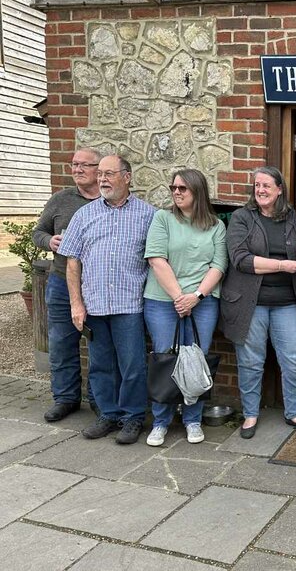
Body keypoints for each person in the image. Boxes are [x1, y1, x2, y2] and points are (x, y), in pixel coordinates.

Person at [58, 155, 156, 445]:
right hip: (95, 304)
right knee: (100, 364)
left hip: (129, 305)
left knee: (133, 365)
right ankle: (108, 415)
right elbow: (72, 261)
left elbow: (157, 260)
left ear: (127, 177)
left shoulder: (148, 215)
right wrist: (76, 303)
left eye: (109, 173)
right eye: (99, 173)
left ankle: (133, 417)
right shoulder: (84, 215)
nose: (101, 179)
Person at [220, 166, 296, 439]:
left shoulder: (293, 219)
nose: (260, 190)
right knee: (250, 361)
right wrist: (281, 265)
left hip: (287, 302)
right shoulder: (241, 218)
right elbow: (241, 259)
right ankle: (250, 415)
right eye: (257, 185)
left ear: (279, 190)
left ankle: (294, 412)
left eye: (266, 185)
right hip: (250, 304)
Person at [143, 169, 227, 447]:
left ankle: (193, 419)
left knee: (196, 360)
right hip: (163, 301)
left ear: (197, 192)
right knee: (164, 359)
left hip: (201, 303)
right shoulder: (163, 218)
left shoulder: (215, 225)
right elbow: (156, 258)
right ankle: (161, 422)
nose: (176, 192)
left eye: (183, 188)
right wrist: (181, 297)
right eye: (174, 188)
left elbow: (218, 265)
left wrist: (196, 297)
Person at [32, 147, 102, 422]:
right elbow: (39, 231)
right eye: (74, 164)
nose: (77, 169)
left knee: (100, 347)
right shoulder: (61, 200)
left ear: (99, 170)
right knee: (62, 343)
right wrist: (48, 241)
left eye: (85, 165)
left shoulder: (108, 201)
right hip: (61, 281)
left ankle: (99, 399)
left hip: (97, 285)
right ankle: (66, 398)